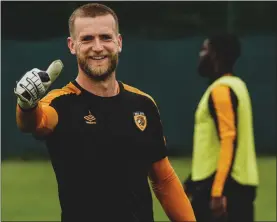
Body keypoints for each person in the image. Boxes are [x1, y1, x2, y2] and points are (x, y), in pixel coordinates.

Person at [14, 3, 195, 222]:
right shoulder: (60, 102)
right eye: (87, 39)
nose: (98, 47)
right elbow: (34, 123)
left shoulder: (143, 104)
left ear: (119, 43)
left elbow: (163, 179)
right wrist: (26, 104)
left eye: (105, 37)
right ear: (72, 45)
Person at [183, 33, 259, 222]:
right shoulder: (238, 85)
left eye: (205, 50)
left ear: (216, 55)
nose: (201, 55)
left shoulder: (221, 90)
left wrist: (217, 192)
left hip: (223, 190)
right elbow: (215, 147)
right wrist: (192, 182)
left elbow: (228, 140)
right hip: (231, 185)